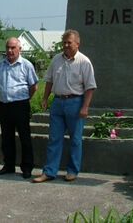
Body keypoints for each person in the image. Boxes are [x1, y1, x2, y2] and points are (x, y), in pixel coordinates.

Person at [33, 30, 97, 183]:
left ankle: (72, 171)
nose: (66, 45)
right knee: (54, 139)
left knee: (75, 140)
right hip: (58, 103)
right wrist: (45, 98)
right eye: (64, 43)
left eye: (69, 42)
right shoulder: (56, 60)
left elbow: (90, 87)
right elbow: (49, 80)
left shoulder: (84, 62)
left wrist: (85, 107)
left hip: (75, 103)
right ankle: (49, 172)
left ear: (77, 44)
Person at [0, 37, 39, 179]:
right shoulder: (1, 65)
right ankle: (9, 165)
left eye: (13, 47)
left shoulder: (26, 65)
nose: (9, 50)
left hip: (20, 104)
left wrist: (25, 99)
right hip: (4, 105)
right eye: (8, 47)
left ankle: (27, 167)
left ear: (19, 49)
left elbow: (34, 86)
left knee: (24, 137)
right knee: (6, 137)